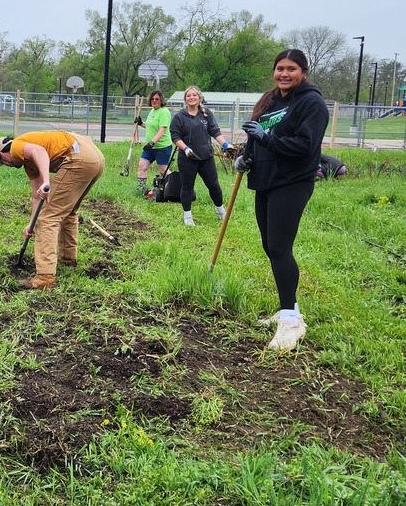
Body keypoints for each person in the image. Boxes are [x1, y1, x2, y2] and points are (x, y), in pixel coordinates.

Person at [236, 49, 329, 352]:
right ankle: (291, 309)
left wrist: (266, 139)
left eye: (291, 69)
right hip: (266, 178)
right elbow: (257, 135)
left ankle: (290, 321)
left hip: (291, 181)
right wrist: (245, 156)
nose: (284, 74)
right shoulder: (271, 99)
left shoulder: (311, 103)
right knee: (269, 245)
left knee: (279, 246)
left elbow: (305, 145)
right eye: (279, 68)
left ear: (303, 71)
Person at [0, 130, 105, 289]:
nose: (8, 166)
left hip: (78, 157)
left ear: (2, 156)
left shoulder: (17, 147)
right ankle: (68, 258)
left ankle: (45, 277)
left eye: (4, 163)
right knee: (68, 211)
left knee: (47, 217)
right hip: (94, 157)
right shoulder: (29, 163)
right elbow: (37, 197)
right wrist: (30, 225)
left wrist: (47, 181)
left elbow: (40, 152)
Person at [169, 86, 234, 226]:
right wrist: (185, 148)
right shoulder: (179, 117)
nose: (191, 98)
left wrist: (226, 145)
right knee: (187, 187)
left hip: (206, 157)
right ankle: (187, 216)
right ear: (185, 99)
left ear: (199, 98)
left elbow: (215, 131)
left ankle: (221, 210)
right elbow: (175, 136)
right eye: (188, 96)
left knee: (214, 186)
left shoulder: (206, 114)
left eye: (194, 95)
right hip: (187, 158)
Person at [135, 90, 173, 195]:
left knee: (163, 170)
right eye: (152, 99)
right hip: (150, 148)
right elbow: (150, 126)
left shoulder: (164, 112)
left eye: (156, 99)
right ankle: (141, 190)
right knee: (142, 167)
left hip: (162, 147)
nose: (154, 101)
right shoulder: (152, 111)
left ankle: (174, 187)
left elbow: (162, 130)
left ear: (161, 100)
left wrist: (152, 142)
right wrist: (141, 123)